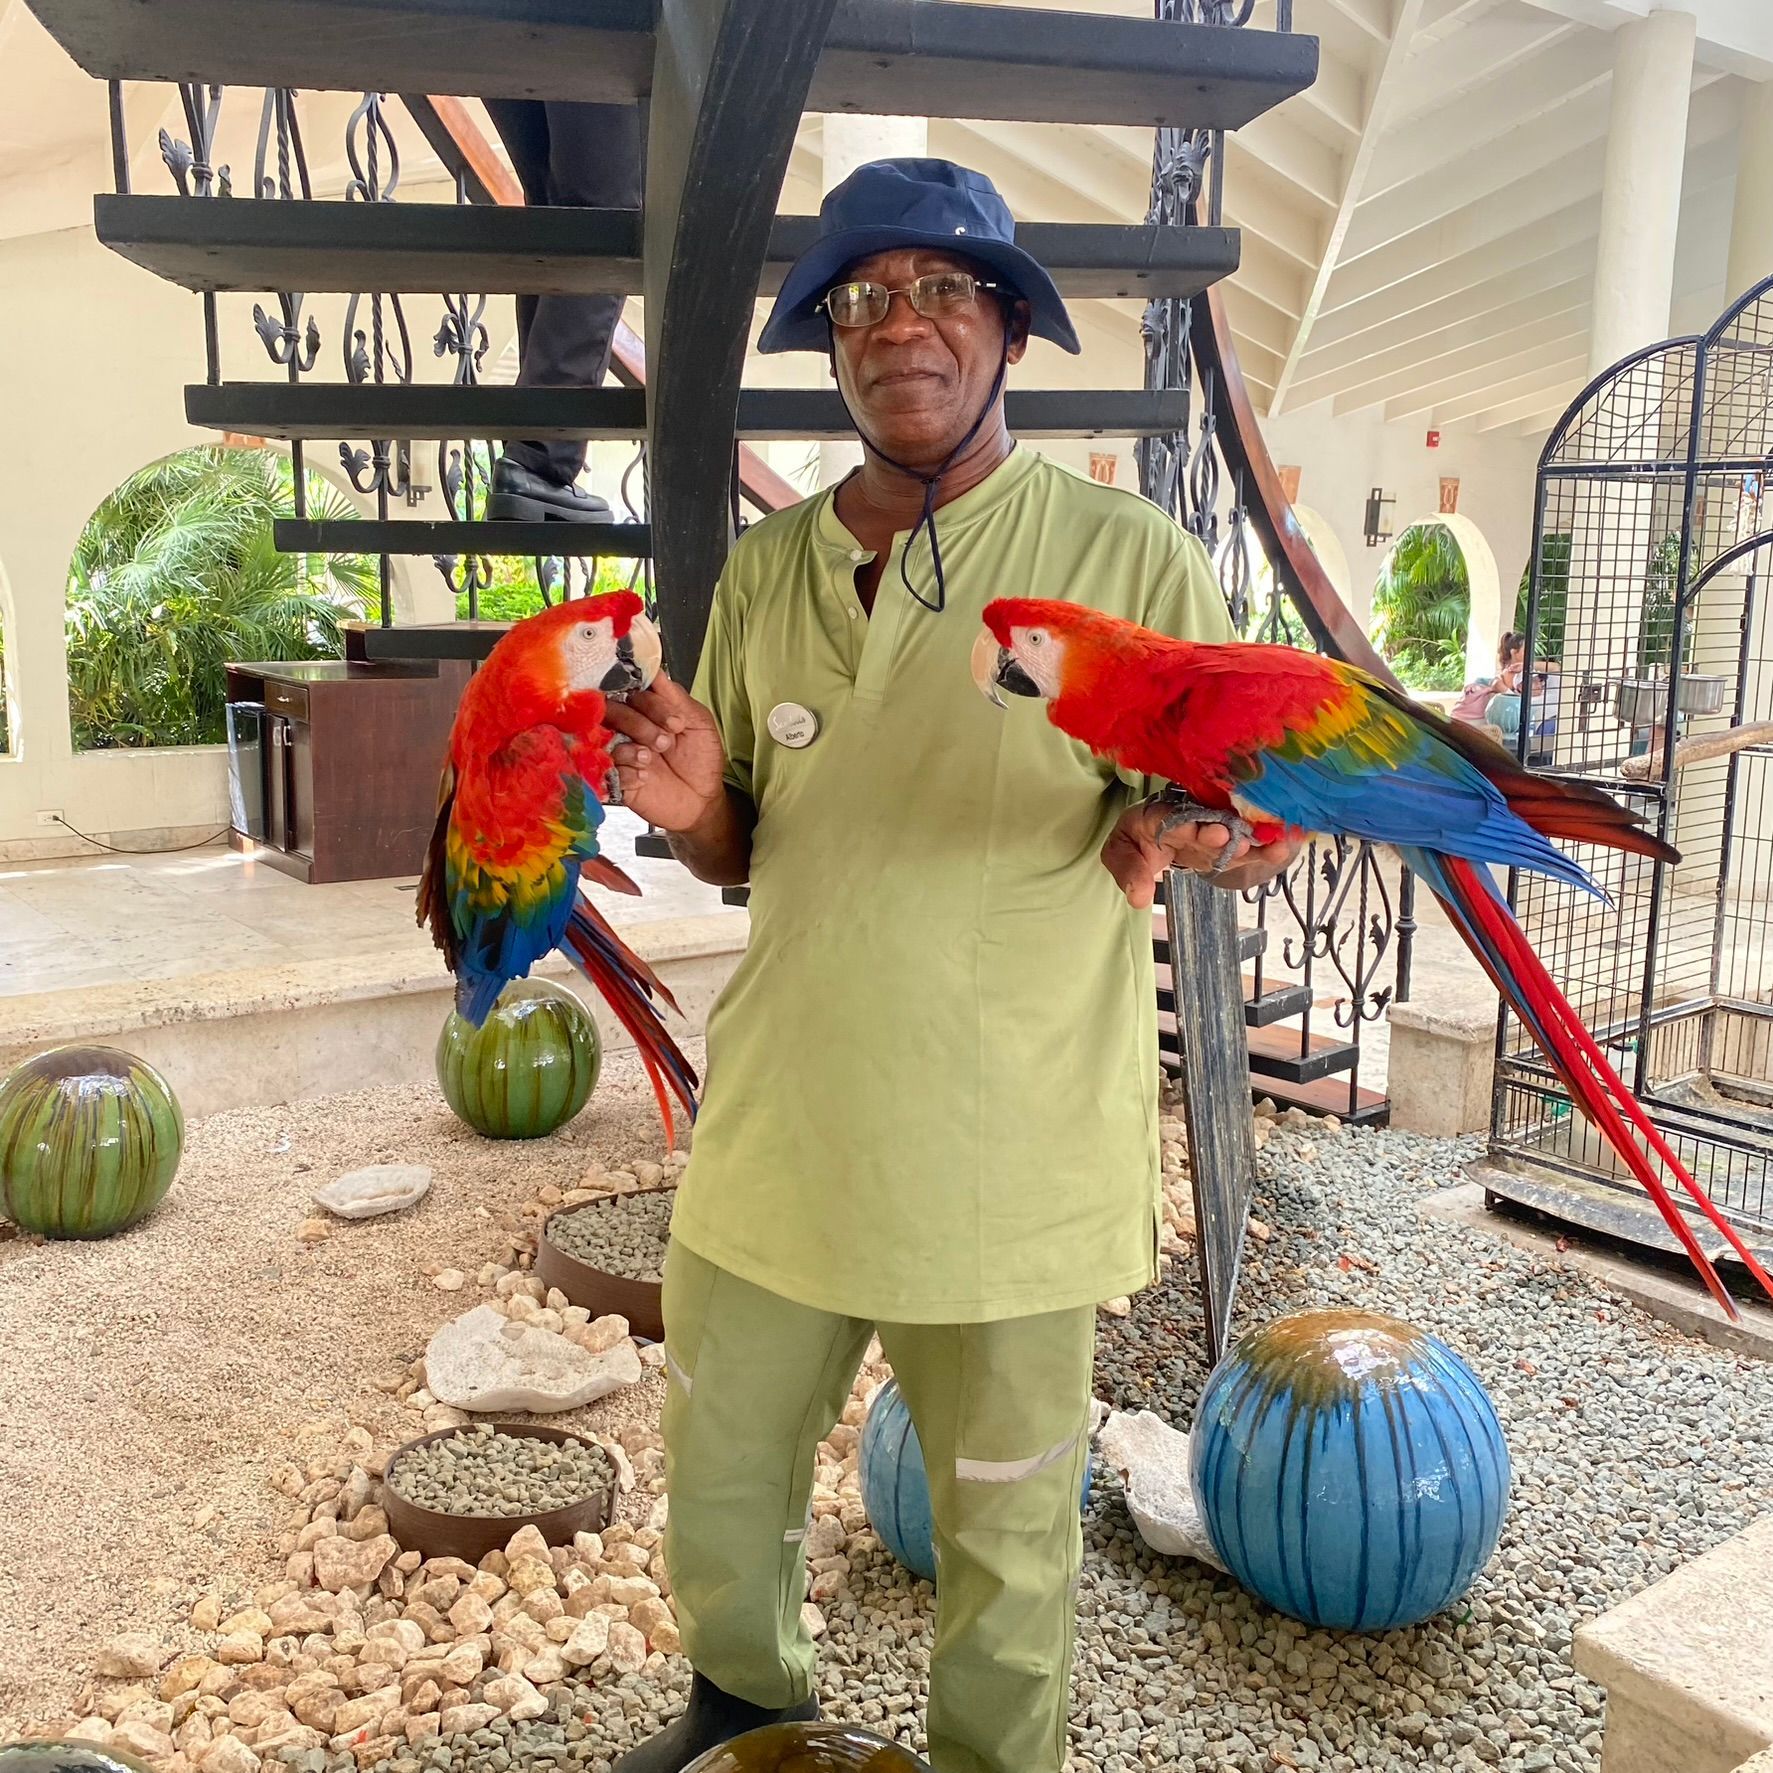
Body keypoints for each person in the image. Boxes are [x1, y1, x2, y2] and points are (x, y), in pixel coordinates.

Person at [600, 159, 1301, 1773]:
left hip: (1008, 1159)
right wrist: (701, 807)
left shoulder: (1122, 561)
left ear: (1005, 323)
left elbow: (1235, 815)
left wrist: (1228, 828)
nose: (896, 325)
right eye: (860, 299)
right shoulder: (764, 573)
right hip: (779, 1132)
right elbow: (743, 846)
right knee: (719, 1470)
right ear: (829, 340)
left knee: (1006, 1542)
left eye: (937, 289)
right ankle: (745, 1705)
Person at [483, 101, 643, 524]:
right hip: (598, 38)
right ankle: (542, 457)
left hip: (503, 39)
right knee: (602, 213)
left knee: (557, 208)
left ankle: (533, 454)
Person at [1450, 631, 1524, 724]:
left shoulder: (1505, 675)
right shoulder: (1511, 673)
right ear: (1513, 652)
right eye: (1525, 650)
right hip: (1477, 722)